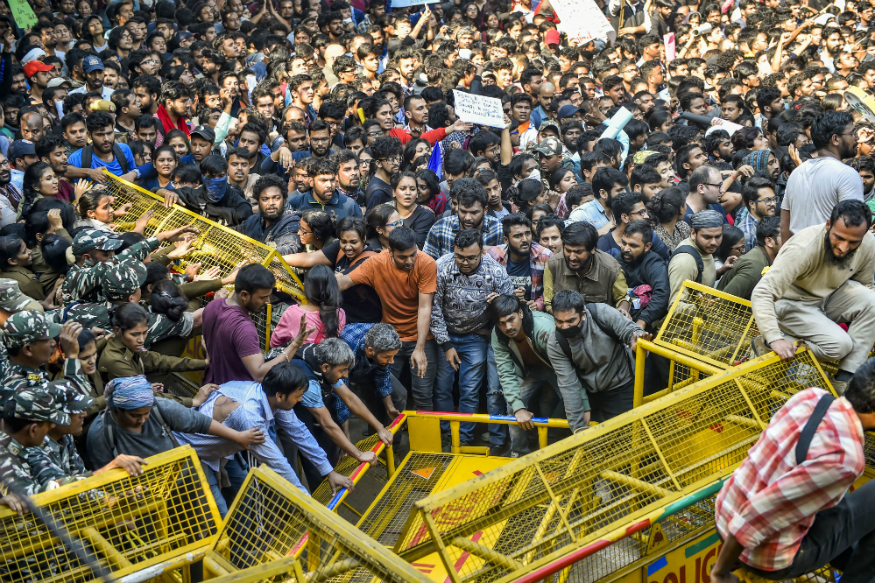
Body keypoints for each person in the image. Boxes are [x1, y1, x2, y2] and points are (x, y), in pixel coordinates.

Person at [710, 360, 875, 583]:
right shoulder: (846, 459)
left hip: (725, 512)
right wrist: (720, 572)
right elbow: (758, 513)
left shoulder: (812, 397)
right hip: (763, 554)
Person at [174, 364, 354, 514]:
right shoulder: (249, 416)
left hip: (219, 453)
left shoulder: (268, 395)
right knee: (216, 513)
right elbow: (276, 462)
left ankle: (243, 549)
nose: (300, 400)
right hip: (188, 452)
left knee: (246, 494)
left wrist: (328, 471)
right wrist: (309, 503)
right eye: (298, 396)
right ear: (280, 396)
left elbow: (299, 432)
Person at [751, 200, 875, 393]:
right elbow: (762, 292)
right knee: (840, 346)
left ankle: (844, 378)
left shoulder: (868, 244)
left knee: (872, 300)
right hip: (791, 303)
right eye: (839, 237)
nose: (843, 247)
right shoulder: (804, 247)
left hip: (827, 298)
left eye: (853, 242)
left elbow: (865, 286)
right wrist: (774, 338)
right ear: (828, 225)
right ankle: (767, 343)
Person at [336, 227, 437, 410]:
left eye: (413, 254)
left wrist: (420, 348)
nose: (410, 261)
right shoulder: (376, 263)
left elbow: (424, 307)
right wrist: (316, 288)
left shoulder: (426, 263)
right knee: (387, 392)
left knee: (423, 394)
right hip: (389, 338)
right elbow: (344, 282)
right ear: (390, 252)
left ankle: (424, 439)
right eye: (403, 257)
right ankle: (388, 437)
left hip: (422, 337)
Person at [431, 228, 514, 451]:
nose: (464, 262)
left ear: (482, 253)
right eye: (460, 256)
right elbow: (433, 308)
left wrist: (498, 302)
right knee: (443, 387)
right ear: (453, 251)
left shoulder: (496, 272)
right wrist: (446, 344)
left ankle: (465, 436)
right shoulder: (442, 266)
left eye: (471, 258)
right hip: (445, 336)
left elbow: (510, 305)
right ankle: (447, 434)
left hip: (476, 337)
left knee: (469, 389)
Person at [85, 375, 266, 471]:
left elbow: (199, 422)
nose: (142, 420)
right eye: (134, 416)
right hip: (139, 499)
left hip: (180, 478)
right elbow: (103, 474)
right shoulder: (101, 433)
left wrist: (238, 436)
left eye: (146, 413)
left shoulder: (159, 407)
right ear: (116, 409)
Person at [291, 339, 392, 488]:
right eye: (342, 370)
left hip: (307, 406)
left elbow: (350, 398)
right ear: (325, 367)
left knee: (327, 451)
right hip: (283, 416)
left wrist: (380, 427)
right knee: (301, 467)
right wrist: (359, 454)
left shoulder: (324, 361)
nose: (345, 375)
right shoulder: (309, 382)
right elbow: (327, 424)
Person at [547, 289, 650, 425]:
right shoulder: (556, 342)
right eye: (559, 321)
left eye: (570, 321)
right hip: (589, 390)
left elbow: (632, 332)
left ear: (583, 315)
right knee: (556, 433)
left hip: (621, 384)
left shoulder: (602, 314)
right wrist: (578, 429)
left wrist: (638, 345)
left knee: (622, 436)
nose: (565, 327)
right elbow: (568, 385)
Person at [202, 264, 311, 385]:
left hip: (211, 386)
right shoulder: (244, 329)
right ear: (244, 295)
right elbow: (259, 374)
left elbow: (202, 339)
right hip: (235, 397)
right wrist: (295, 345)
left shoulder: (213, 305)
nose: (267, 301)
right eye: (263, 297)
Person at [490, 294, 562, 456]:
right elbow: (505, 371)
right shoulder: (498, 334)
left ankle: (555, 452)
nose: (508, 327)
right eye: (502, 323)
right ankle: (519, 454)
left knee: (564, 403)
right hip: (530, 370)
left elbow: (567, 367)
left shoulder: (544, 328)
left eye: (511, 319)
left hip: (558, 368)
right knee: (513, 408)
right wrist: (518, 407)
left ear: (520, 313)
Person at [782, 111, 863, 243]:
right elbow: (854, 225)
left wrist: (785, 260)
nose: (857, 138)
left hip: (798, 256)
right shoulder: (846, 174)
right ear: (835, 139)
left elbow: (785, 224)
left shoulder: (797, 172)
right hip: (828, 258)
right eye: (852, 133)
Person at [543, 221, 628, 311]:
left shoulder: (611, 269)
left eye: (578, 252)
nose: (572, 257)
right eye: (568, 250)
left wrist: (622, 309)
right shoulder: (553, 265)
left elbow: (623, 298)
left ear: (592, 249)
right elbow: (548, 303)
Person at [340, 323, 406, 427]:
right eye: (388, 357)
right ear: (371, 351)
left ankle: (387, 439)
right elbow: (343, 396)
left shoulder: (382, 341)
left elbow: (383, 376)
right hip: (344, 367)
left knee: (398, 394)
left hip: (368, 365)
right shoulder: (346, 350)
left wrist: (390, 408)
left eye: (393, 356)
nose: (392, 361)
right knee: (342, 404)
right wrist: (346, 439)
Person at [423, 179, 503, 259]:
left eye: (474, 213)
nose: (467, 218)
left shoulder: (498, 229)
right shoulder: (440, 228)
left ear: (485, 210)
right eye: (463, 211)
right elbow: (427, 264)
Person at [487, 213, 552, 312]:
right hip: (503, 312)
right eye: (518, 236)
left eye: (527, 233)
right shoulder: (494, 257)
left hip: (534, 314)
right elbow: (487, 290)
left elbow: (551, 290)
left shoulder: (545, 256)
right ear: (506, 240)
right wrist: (508, 296)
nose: (525, 239)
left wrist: (538, 304)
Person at [272, 265, 345, 346]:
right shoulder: (340, 313)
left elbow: (275, 343)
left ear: (308, 287)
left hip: (302, 356)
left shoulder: (292, 312)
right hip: (328, 356)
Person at [618, 220, 670, 331]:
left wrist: (642, 321)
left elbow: (662, 294)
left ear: (647, 246)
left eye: (633, 245)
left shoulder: (654, 264)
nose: (626, 249)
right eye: (624, 243)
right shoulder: (618, 259)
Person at [718, 216, 782, 301]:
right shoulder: (755, 266)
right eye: (785, 236)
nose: (791, 240)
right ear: (769, 242)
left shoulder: (762, 258)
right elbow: (724, 302)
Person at [667, 209, 724, 306]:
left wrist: (721, 271)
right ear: (693, 233)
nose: (714, 242)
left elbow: (701, 279)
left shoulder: (705, 248)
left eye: (718, 237)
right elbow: (675, 307)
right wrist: (701, 306)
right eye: (707, 237)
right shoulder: (685, 261)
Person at [236, 174, 302, 255]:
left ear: (284, 199)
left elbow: (290, 248)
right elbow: (233, 232)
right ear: (258, 201)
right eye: (265, 199)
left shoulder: (292, 222)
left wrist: (255, 252)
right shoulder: (254, 220)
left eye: (276, 198)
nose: (271, 203)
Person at [736, 176, 777, 253]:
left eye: (774, 199)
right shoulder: (747, 235)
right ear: (752, 204)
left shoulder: (768, 223)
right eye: (767, 200)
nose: (773, 203)